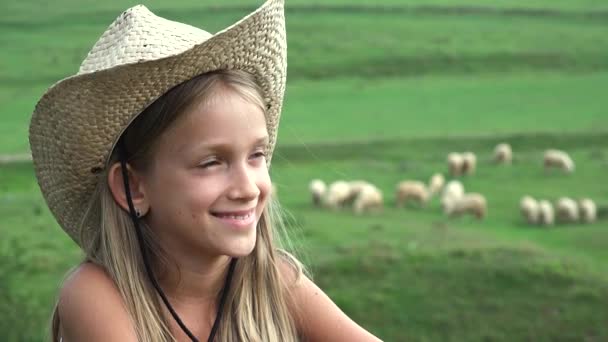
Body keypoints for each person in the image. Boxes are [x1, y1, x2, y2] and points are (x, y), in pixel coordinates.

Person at [29, 0, 383, 341]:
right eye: (211, 162)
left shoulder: (273, 279)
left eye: (256, 155)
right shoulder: (96, 294)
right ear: (132, 188)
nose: (247, 188)